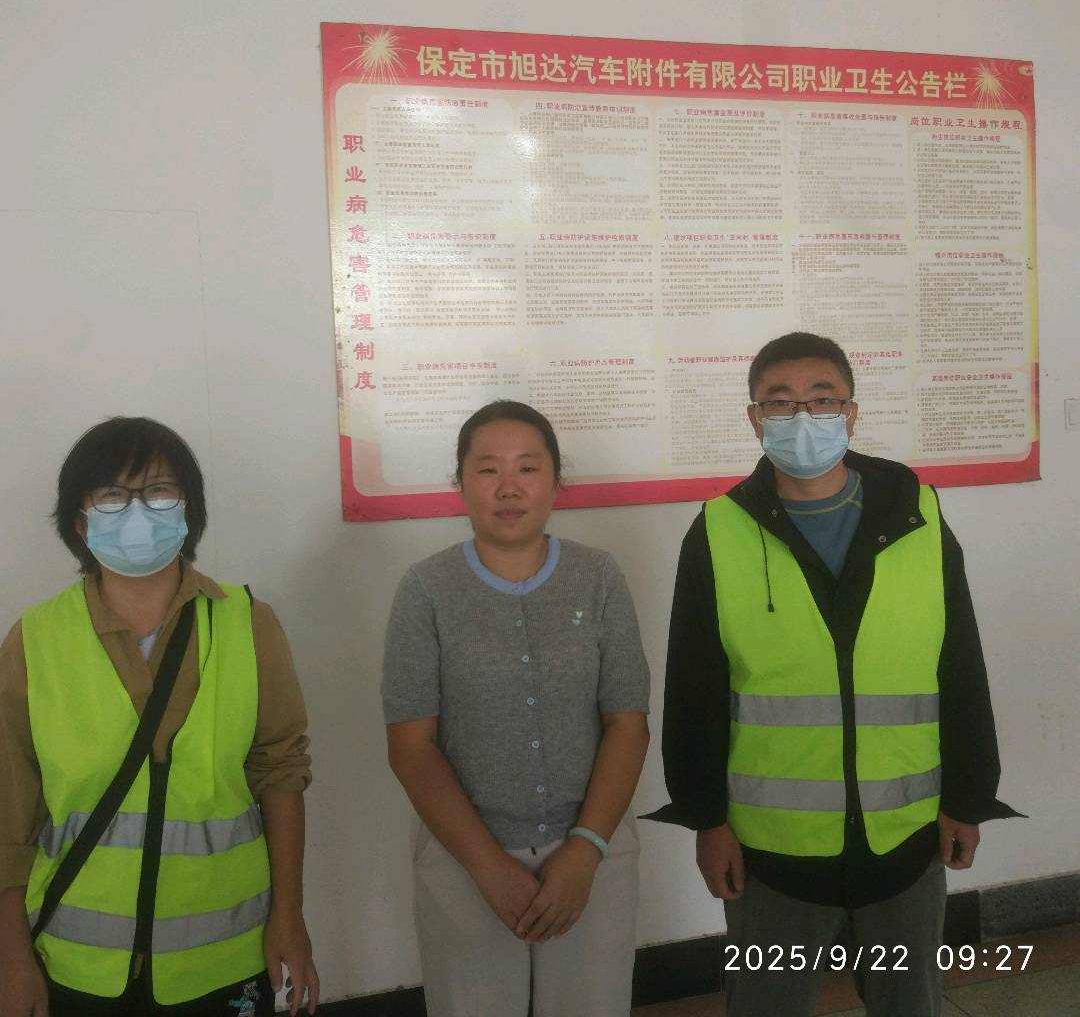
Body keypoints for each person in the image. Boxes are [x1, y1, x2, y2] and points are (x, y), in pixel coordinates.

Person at [647, 333, 1018, 1017]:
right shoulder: (719, 531)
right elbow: (693, 690)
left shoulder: (918, 517)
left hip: (904, 838)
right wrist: (707, 820)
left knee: (910, 1003)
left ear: (850, 413)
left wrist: (969, 797)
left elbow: (960, 665)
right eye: (779, 403)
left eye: (822, 400)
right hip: (770, 852)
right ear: (754, 419)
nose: (803, 418)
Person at [0, 417, 319, 1017]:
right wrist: (10, 957)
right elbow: (8, 814)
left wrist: (290, 918)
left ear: (188, 510)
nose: (137, 512)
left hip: (226, 957)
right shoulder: (34, 640)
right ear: (79, 520)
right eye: (111, 495)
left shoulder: (249, 624)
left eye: (159, 491)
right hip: (75, 962)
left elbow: (281, 774)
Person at [382, 400, 650, 1017]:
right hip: (464, 859)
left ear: (556, 480)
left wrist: (585, 850)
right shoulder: (425, 590)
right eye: (487, 469)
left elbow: (627, 723)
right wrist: (488, 868)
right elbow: (411, 747)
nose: (508, 488)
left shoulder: (598, 576)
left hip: (593, 853)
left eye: (528, 468)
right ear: (460, 482)